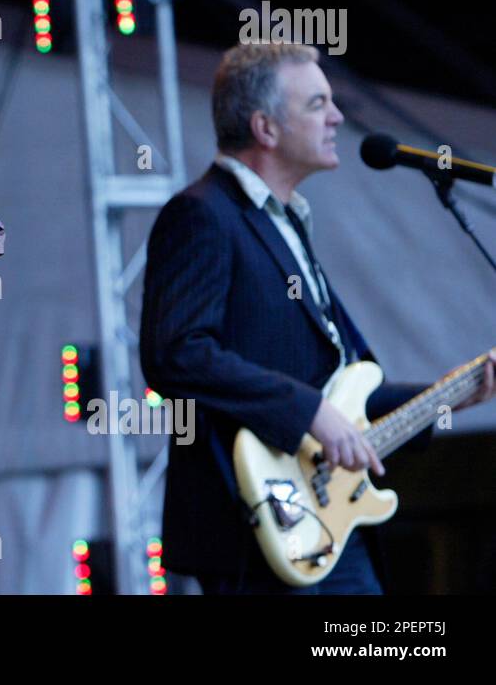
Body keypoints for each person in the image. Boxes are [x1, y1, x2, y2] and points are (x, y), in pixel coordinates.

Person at [140, 41, 494, 594]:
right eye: (316, 104)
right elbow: (176, 352)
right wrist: (309, 414)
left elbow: (344, 393)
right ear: (266, 127)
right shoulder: (202, 215)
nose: (336, 117)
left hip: (323, 521)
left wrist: (453, 395)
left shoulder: (289, 222)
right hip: (256, 525)